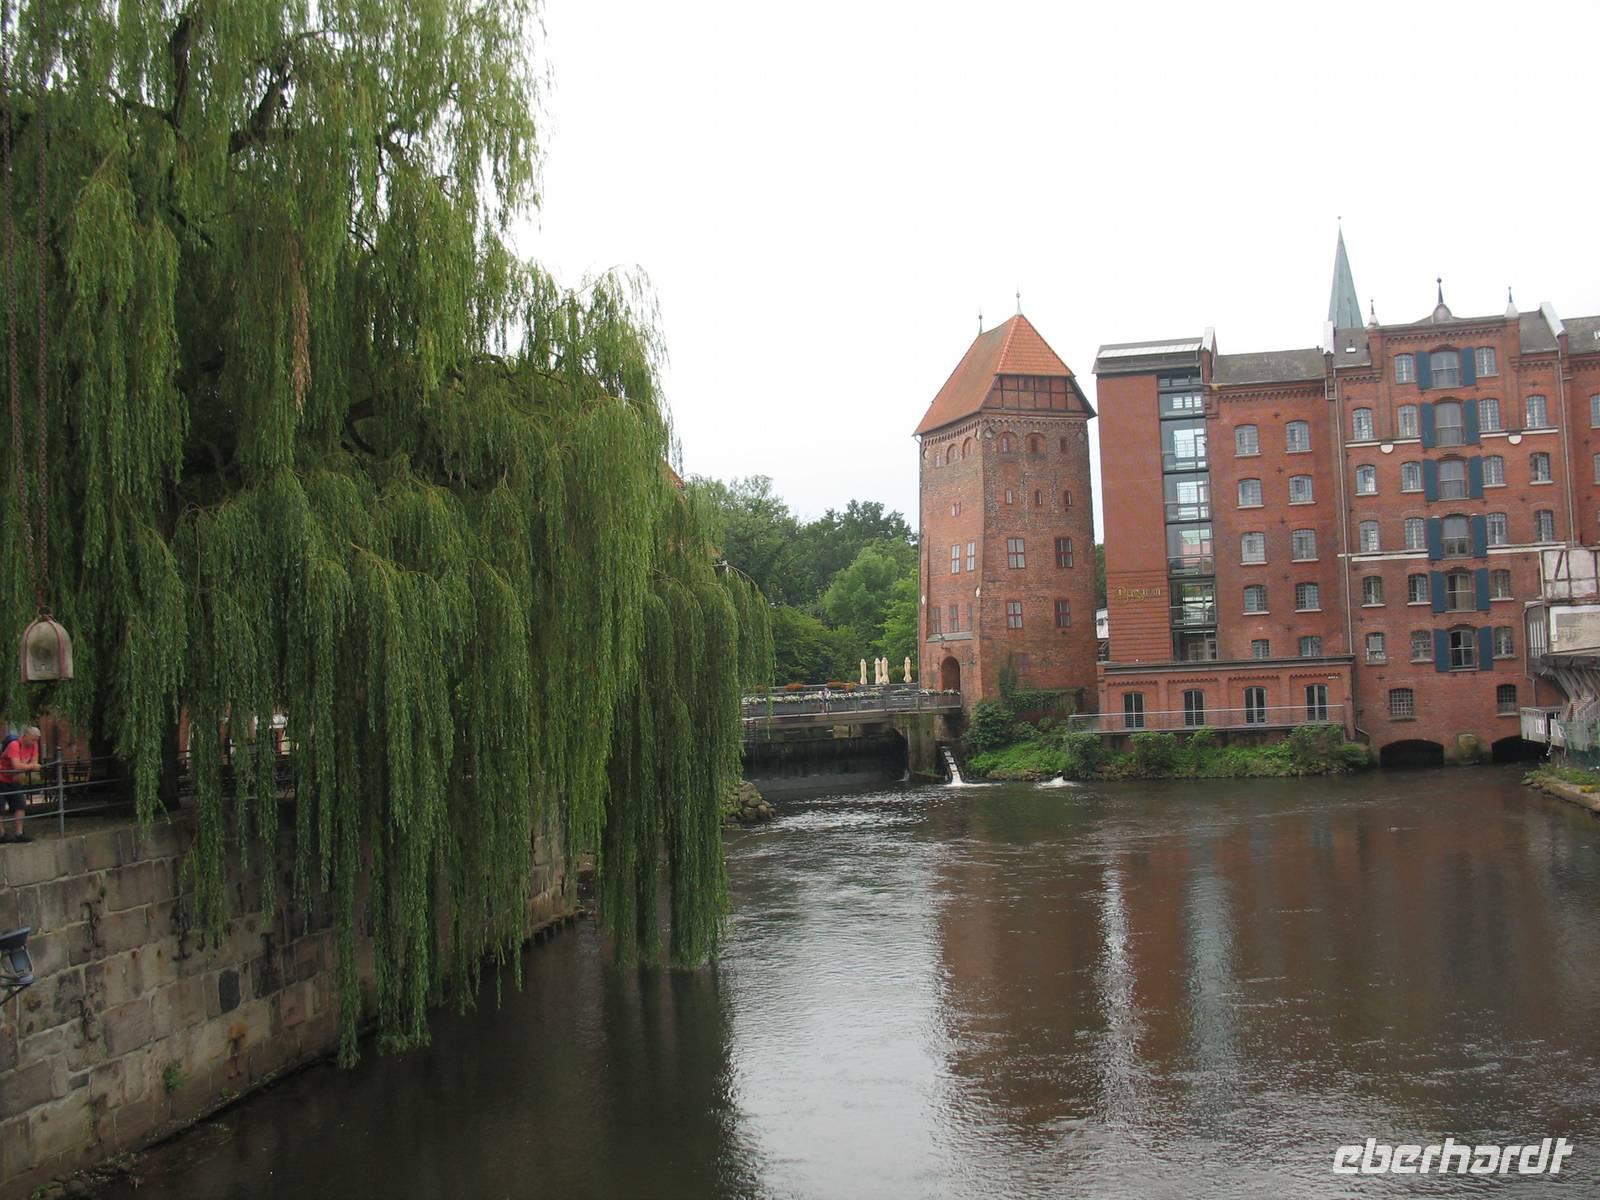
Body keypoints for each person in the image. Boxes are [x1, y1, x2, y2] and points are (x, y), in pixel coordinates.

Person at [0, 724, 41, 844]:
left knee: (20, 804)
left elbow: (35, 762)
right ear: (25, 736)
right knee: (0, 806)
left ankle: (19, 833)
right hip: (1, 777)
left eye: (36, 740)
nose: (34, 742)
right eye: (32, 739)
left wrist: (30, 766)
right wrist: (31, 766)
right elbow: (16, 766)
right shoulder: (14, 745)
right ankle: (1, 835)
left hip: (13, 779)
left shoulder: (34, 745)